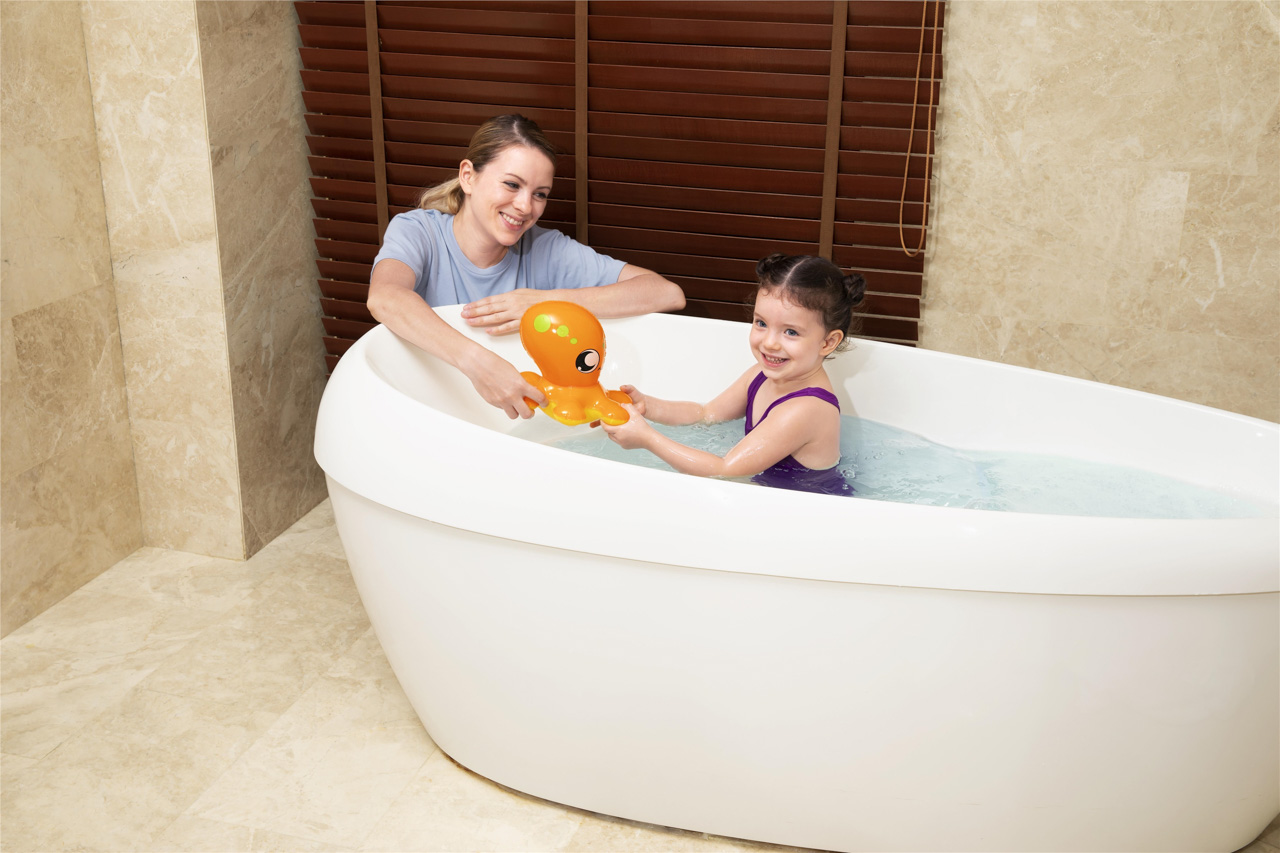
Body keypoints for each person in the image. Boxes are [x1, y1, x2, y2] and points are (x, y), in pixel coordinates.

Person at [366, 114, 685, 419]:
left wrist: (546, 302)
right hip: (429, 408)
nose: (525, 206)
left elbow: (666, 293)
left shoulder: (546, 249)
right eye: (511, 184)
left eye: (540, 194)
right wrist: (479, 363)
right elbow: (385, 297)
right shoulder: (419, 231)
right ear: (468, 176)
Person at [600, 253, 866, 496]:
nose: (769, 343)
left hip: (813, 512)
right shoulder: (761, 375)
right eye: (761, 323)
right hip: (773, 498)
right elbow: (705, 414)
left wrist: (647, 438)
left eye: (791, 332)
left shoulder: (807, 409)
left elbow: (724, 470)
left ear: (828, 342)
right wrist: (647, 406)